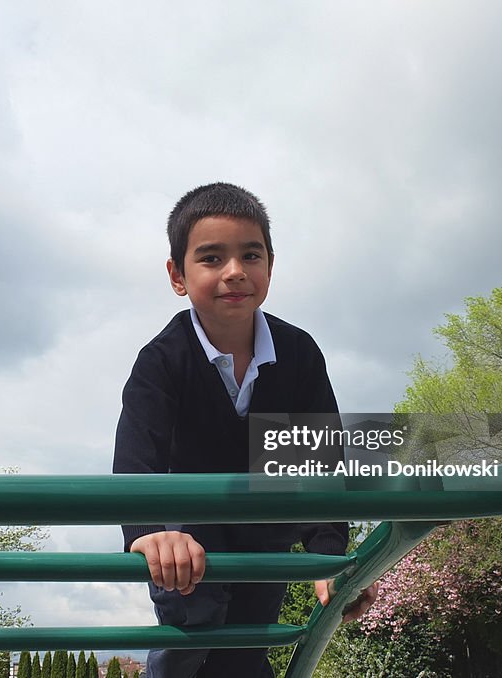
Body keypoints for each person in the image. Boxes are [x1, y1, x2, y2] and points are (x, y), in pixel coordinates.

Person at [112, 182, 378, 678]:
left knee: (249, 650)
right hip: (188, 540)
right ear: (177, 275)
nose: (235, 272)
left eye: (250, 255)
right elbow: (135, 460)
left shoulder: (297, 353)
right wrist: (150, 534)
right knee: (191, 636)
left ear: (270, 266)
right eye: (211, 258)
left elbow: (319, 463)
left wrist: (328, 558)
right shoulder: (162, 360)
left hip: (264, 536)